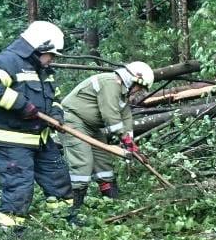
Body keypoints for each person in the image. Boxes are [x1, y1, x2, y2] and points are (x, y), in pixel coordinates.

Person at [0, 20, 76, 233]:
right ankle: (12, 233)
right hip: (10, 139)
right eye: (50, 54)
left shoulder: (43, 70)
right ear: (38, 47)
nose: (52, 60)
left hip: (40, 137)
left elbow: (55, 98)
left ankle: (63, 222)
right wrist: (22, 105)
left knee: (58, 178)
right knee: (19, 186)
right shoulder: (8, 61)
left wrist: (56, 115)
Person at [61, 61, 155, 221]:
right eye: (140, 86)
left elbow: (126, 117)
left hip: (92, 126)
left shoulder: (123, 93)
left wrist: (130, 143)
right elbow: (110, 115)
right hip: (73, 120)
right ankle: (73, 210)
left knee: (104, 163)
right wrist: (123, 137)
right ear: (133, 79)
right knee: (83, 162)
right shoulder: (110, 83)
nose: (139, 90)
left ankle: (113, 204)